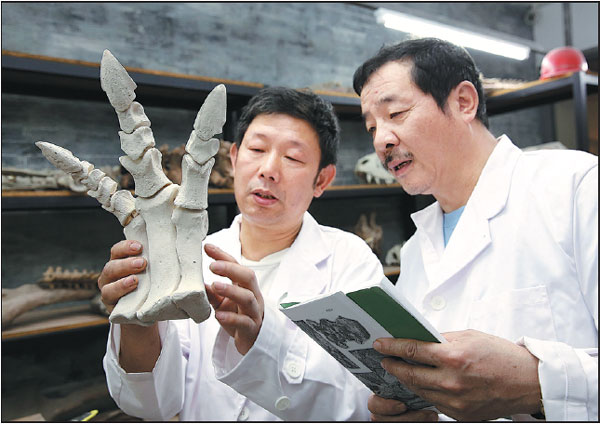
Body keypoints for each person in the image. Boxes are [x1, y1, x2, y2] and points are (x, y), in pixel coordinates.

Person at [99, 87, 384, 421]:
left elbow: (364, 404)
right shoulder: (193, 258)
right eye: (257, 149)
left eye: (292, 157)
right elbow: (154, 405)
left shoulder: (352, 263)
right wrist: (136, 322)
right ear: (234, 158)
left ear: (322, 179)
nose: (268, 169)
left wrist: (262, 342)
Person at [352, 37, 598, 421]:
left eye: (396, 113)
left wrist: (537, 383)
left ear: (463, 102)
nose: (382, 140)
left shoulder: (577, 187)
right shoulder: (418, 250)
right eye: (371, 128)